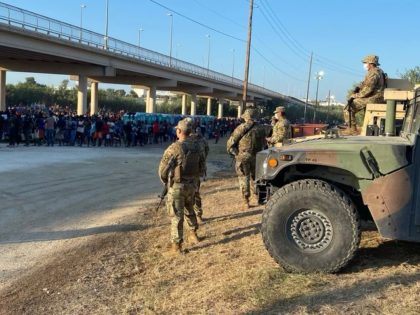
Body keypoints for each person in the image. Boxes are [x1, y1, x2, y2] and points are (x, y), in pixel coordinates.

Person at [158, 118, 206, 255]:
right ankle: (193, 234)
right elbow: (202, 166)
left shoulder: (174, 148)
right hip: (192, 185)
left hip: (178, 186)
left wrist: (167, 183)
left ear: (179, 131)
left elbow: (162, 171)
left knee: (177, 216)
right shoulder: (198, 146)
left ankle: (177, 245)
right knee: (190, 210)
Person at [226, 108, 266, 209]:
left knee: (244, 178)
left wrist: (235, 154)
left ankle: (246, 201)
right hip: (257, 156)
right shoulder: (261, 128)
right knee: (256, 178)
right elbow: (264, 143)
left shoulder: (241, 127)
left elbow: (230, 143)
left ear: (246, 117)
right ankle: (259, 197)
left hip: (243, 156)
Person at [343, 55, 386, 135]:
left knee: (348, 108)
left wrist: (355, 95)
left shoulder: (373, 73)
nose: (364, 65)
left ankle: (352, 130)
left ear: (370, 63)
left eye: (365, 63)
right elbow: (365, 84)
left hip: (374, 98)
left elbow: (368, 90)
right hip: (377, 97)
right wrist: (358, 87)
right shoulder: (378, 71)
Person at [190, 126, 209, 223]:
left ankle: (192, 216)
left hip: (186, 173)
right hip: (197, 171)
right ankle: (198, 214)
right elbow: (206, 153)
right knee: (196, 193)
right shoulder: (202, 140)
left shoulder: (185, 140)